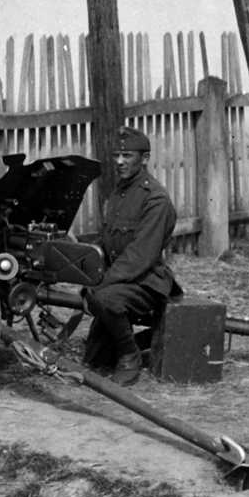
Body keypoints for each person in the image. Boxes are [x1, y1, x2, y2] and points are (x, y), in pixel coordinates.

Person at [81, 126, 181, 385]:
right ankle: (142, 340)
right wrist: (89, 277)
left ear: (144, 158)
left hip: (147, 282)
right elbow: (107, 244)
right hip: (123, 281)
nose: (119, 162)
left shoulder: (155, 199)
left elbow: (139, 257)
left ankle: (129, 354)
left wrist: (100, 285)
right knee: (95, 360)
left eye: (127, 156)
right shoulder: (119, 193)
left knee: (104, 299)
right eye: (116, 155)